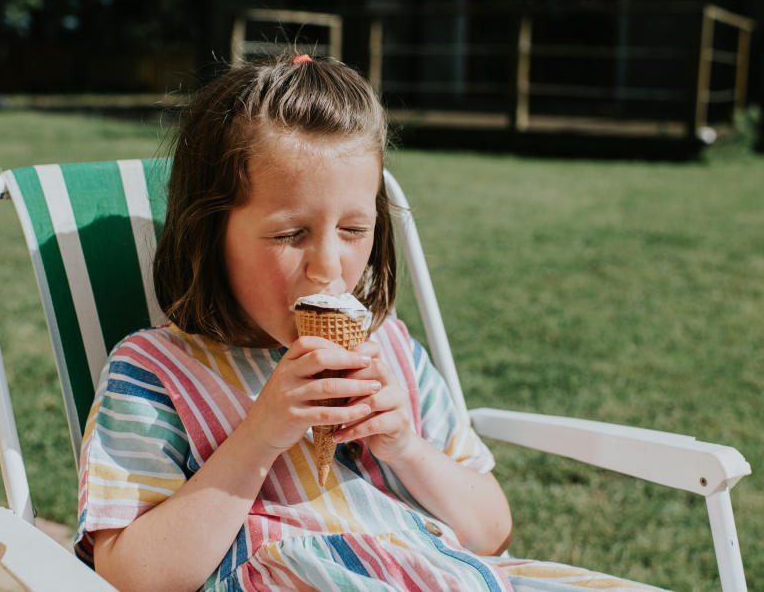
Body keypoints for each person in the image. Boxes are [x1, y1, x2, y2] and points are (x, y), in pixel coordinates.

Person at [73, 54, 666, 591]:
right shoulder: (155, 375)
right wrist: (256, 440)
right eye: (289, 234)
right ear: (209, 234)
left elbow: (490, 531)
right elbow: (132, 574)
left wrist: (405, 446)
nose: (328, 267)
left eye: (354, 230)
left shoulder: (392, 352)